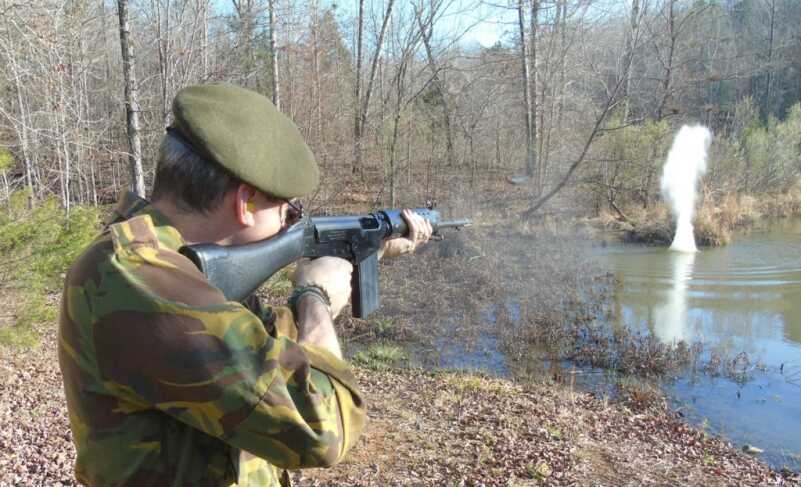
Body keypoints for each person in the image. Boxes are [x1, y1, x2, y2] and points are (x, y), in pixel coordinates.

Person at [58, 84, 433, 486]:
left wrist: (359, 256)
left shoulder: (176, 267)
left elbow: (263, 350)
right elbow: (321, 426)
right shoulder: (136, 276)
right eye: (290, 210)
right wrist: (315, 297)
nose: (291, 221)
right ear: (245, 203)